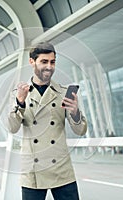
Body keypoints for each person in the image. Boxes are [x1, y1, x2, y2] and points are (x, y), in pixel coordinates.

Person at [7, 42, 87, 200]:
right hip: (33, 171)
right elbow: (12, 127)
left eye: (53, 62)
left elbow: (81, 130)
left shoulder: (64, 92)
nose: (49, 67)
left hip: (61, 169)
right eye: (44, 62)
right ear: (32, 62)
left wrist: (75, 112)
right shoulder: (19, 93)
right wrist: (20, 103)